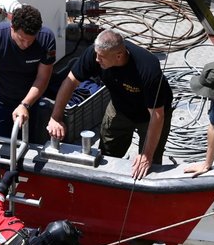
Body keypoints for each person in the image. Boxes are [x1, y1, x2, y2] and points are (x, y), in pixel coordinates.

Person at [46, 29, 172, 180]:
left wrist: (147, 155)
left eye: (101, 57)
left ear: (118, 56)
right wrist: (56, 117)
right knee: (106, 155)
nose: (97, 60)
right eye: (96, 54)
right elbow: (70, 81)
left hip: (150, 116)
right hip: (119, 107)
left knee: (147, 167)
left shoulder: (147, 69)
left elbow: (157, 115)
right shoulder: (95, 54)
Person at [0, 5, 57, 142]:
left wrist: (25, 104)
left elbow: (43, 77)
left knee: (28, 145)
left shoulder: (47, 39)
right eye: (22, 39)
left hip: (30, 101)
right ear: (12, 27)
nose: (27, 44)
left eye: (31, 40)